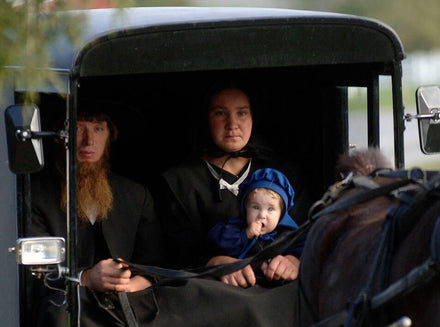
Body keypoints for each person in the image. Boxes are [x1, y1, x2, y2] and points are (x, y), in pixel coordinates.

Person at [158, 80, 308, 278]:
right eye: (220, 113)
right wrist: (214, 264)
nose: (232, 124)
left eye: (242, 113)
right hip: (210, 291)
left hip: (278, 288)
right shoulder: (179, 182)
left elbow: (309, 233)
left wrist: (295, 260)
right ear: (206, 119)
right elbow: (173, 253)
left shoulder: (282, 174)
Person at [28, 106, 166, 293]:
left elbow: (156, 265)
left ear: (109, 135)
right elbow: (34, 274)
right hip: (64, 310)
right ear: (58, 136)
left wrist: (132, 285)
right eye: (76, 129)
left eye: (98, 129)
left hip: (131, 307)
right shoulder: (35, 196)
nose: (89, 141)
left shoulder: (135, 195)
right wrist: (84, 278)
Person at [207, 168, 305, 287]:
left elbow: (305, 248)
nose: (262, 215)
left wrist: (293, 259)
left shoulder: (288, 235)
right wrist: (245, 234)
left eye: (270, 209)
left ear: (281, 214)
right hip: (239, 286)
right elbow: (218, 244)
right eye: (255, 207)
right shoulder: (234, 230)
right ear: (245, 208)